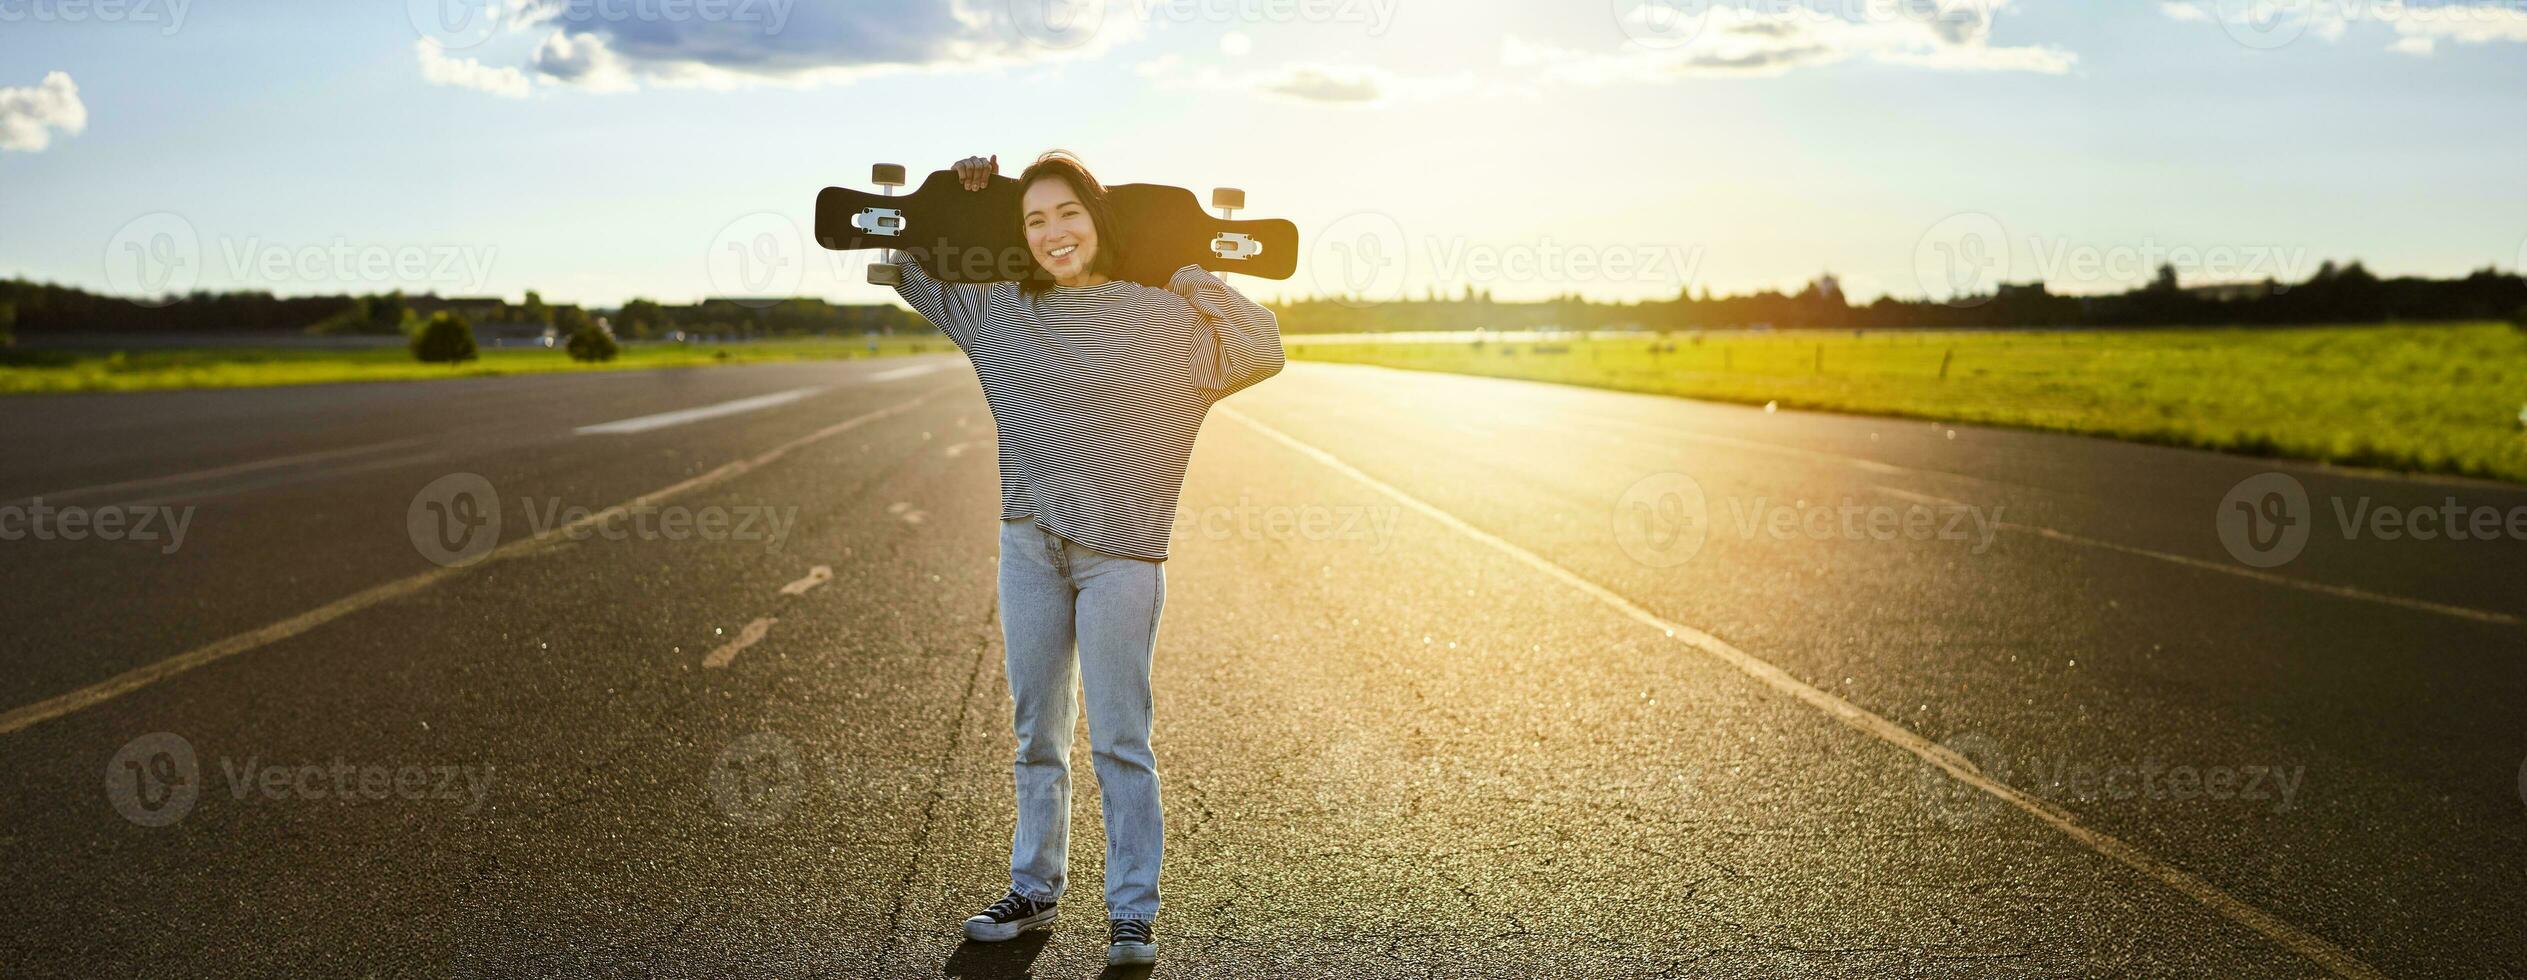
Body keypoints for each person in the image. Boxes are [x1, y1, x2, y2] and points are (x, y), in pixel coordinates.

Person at [888, 150, 1284, 967]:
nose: (1051, 232)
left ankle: (1131, 913)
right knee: (1037, 734)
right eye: (1032, 219)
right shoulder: (999, 312)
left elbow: (1260, 345)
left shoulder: (1166, 320)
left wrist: (1185, 272)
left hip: (1123, 557)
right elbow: (904, 267)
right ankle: (1033, 891)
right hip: (1027, 545)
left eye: (1066, 212)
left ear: (1096, 220)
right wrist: (954, 196)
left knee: (1118, 741)